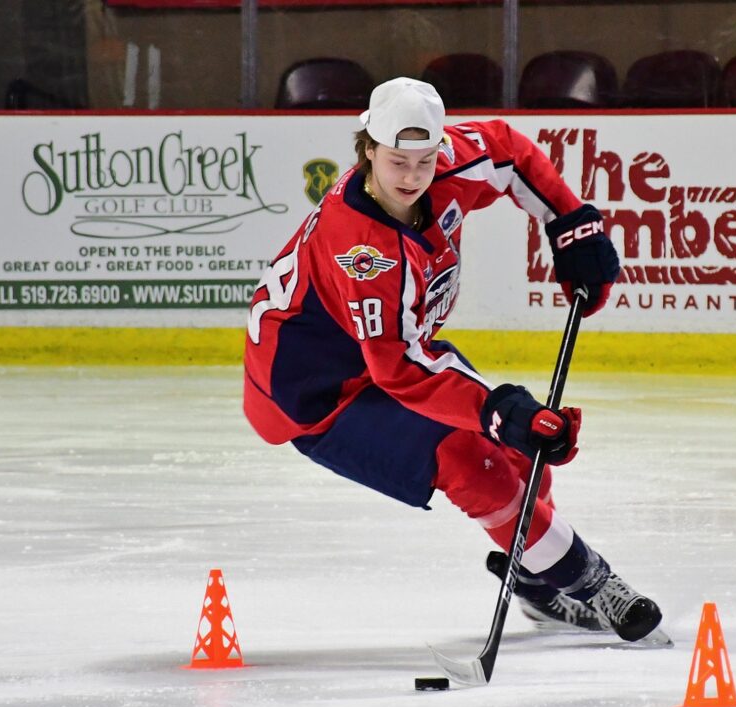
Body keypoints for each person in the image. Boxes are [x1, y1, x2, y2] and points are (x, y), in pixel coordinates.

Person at [244, 77, 663, 642]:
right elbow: (401, 370)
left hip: (389, 352)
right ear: (367, 147)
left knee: (519, 457)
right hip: (316, 395)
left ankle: (538, 585)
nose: (413, 177)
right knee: (474, 464)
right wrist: (499, 409)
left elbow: (508, 151)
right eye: (397, 161)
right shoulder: (362, 250)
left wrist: (569, 223)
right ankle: (594, 587)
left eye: (424, 159)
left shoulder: (441, 162)